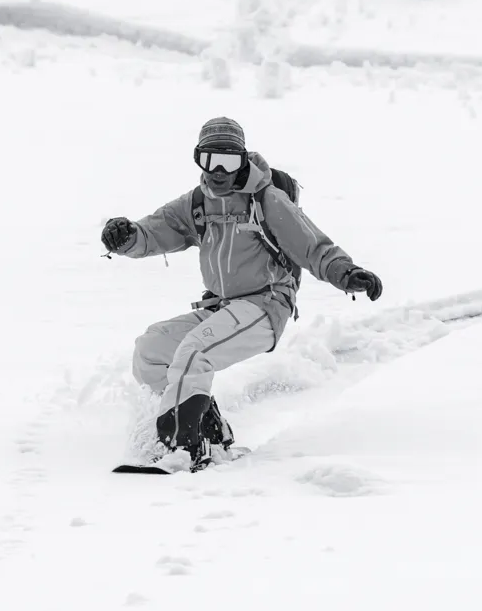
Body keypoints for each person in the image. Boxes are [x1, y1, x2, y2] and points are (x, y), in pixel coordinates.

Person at [101, 117, 382, 469]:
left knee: (194, 351)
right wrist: (126, 237)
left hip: (265, 307)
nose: (218, 171)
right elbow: (154, 232)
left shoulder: (266, 201)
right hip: (221, 308)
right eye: (209, 160)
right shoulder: (196, 204)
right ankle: (209, 432)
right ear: (198, 160)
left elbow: (312, 245)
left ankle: (180, 449)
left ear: (243, 161)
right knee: (151, 350)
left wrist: (346, 272)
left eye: (229, 162)